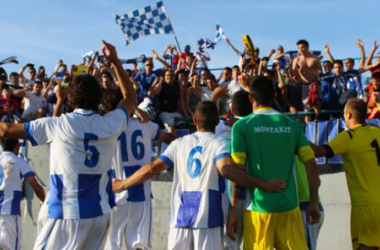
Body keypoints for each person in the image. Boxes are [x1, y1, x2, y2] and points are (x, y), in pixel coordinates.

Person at [0, 40, 136, 249]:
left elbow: (6, 130)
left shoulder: (57, 125)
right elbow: (129, 98)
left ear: (70, 97)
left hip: (65, 213)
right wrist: (115, 61)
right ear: (99, 97)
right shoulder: (110, 124)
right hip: (98, 215)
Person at [112, 101, 287, 250]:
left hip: (180, 218)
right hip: (208, 218)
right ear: (217, 122)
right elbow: (226, 170)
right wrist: (262, 183)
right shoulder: (221, 144)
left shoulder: (178, 144)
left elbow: (151, 169)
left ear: (194, 121)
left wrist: (122, 184)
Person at [230, 76, 321, 250]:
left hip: (259, 209)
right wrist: (314, 203)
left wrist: (232, 211)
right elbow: (312, 166)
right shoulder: (292, 124)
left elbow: (237, 171)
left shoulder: (242, 126)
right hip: (290, 209)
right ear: (274, 97)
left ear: (251, 99)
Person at [101, 88, 176, 250]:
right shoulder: (146, 126)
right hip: (141, 195)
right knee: (139, 245)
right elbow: (169, 138)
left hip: (113, 193)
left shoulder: (105, 126)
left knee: (111, 244)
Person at [312, 98, 380, 250]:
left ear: (349, 115)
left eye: (344, 115)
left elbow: (317, 152)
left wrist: (298, 135)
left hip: (365, 207)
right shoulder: (377, 132)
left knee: (365, 246)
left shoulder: (349, 137)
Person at [0, 138, 45, 250]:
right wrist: (46, 201)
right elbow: (35, 186)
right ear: (16, 146)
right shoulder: (17, 161)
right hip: (9, 214)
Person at [292, 39, 322, 120]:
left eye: (303, 47)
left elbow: (320, 72)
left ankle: (317, 119)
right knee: (306, 108)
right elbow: (293, 75)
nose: (301, 49)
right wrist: (294, 68)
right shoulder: (296, 60)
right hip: (304, 85)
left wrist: (308, 70)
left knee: (317, 102)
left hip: (314, 83)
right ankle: (308, 127)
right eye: (299, 48)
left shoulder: (314, 58)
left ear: (307, 47)